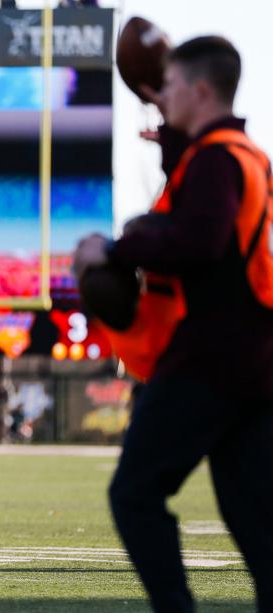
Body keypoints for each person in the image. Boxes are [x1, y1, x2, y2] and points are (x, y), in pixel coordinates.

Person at [74, 36, 273, 612]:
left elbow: (199, 240)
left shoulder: (215, 158)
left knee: (135, 493)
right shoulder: (241, 153)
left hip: (211, 356)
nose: (164, 94)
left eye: (174, 85)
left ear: (202, 90)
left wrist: (115, 248)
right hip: (253, 358)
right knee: (255, 519)